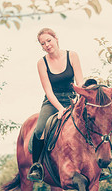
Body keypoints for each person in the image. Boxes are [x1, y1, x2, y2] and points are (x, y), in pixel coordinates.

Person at [27, 28, 84, 181]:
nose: (47, 45)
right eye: (43, 43)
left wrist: (80, 100)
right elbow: (48, 91)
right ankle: (37, 166)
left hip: (73, 98)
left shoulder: (72, 55)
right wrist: (60, 109)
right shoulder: (42, 63)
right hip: (53, 101)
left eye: (48, 40)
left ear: (56, 38)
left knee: (92, 121)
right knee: (39, 130)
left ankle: (101, 166)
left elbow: (80, 82)